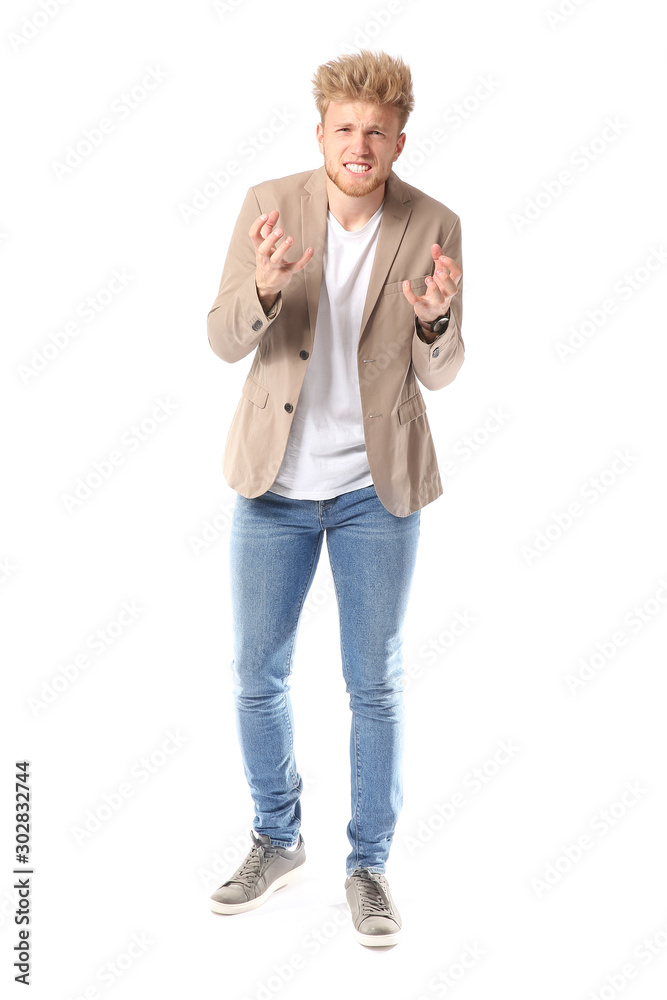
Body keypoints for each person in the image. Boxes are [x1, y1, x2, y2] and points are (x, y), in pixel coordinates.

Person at [206, 49, 464, 947]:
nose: (359, 144)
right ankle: (276, 840)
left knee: (374, 685)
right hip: (272, 486)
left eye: (376, 131)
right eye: (344, 128)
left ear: (398, 139)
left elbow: (445, 366)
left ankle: (367, 865)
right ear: (320, 131)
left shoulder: (434, 221)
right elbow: (220, 337)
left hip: (374, 493)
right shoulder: (269, 206)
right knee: (254, 674)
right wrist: (266, 290)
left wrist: (435, 322)